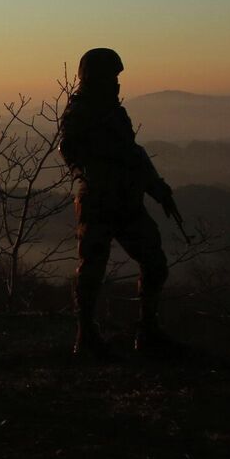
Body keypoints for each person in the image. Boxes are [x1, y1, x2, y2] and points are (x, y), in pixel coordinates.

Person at [57, 47, 184, 359]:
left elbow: (133, 154)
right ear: (95, 78)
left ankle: (147, 329)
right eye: (111, 77)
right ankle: (85, 334)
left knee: (154, 262)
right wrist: (96, 170)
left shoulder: (114, 113)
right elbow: (70, 150)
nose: (116, 84)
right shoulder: (81, 113)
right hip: (99, 201)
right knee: (92, 269)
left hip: (126, 201)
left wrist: (158, 189)